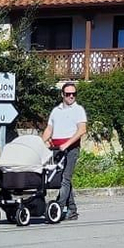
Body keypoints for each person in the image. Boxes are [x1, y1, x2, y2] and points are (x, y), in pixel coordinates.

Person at [47, 82, 88, 221]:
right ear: (62, 95)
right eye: (68, 94)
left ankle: (58, 207)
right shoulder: (56, 111)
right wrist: (42, 142)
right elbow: (49, 129)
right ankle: (72, 210)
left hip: (71, 148)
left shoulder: (78, 110)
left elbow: (82, 130)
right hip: (56, 149)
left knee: (65, 178)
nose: (71, 96)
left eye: (73, 94)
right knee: (60, 178)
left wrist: (67, 144)